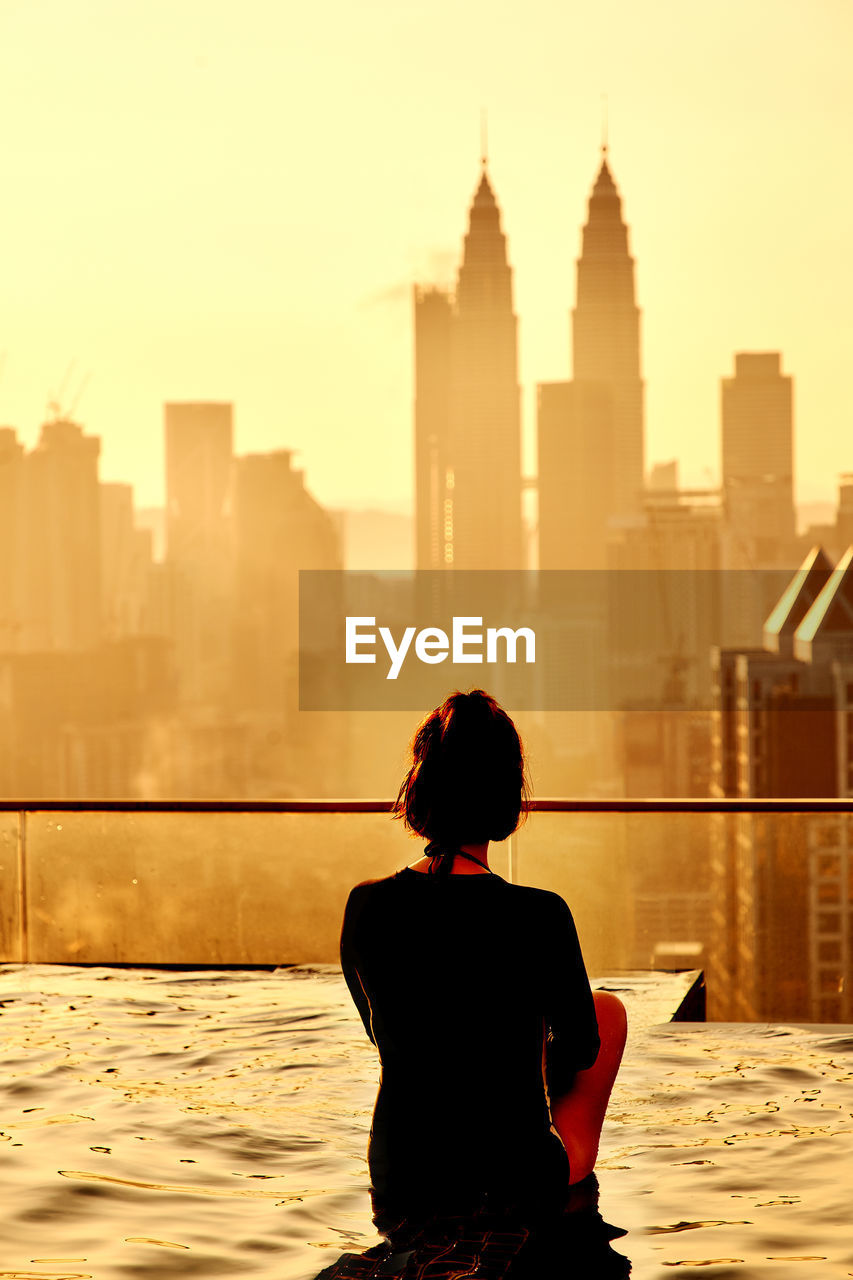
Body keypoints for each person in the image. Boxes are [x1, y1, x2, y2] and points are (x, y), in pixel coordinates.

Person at [339, 689, 627, 1251]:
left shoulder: (366, 905)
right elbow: (582, 1051)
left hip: (403, 1177)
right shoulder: (540, 913)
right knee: (608, 1013)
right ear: (508, 796)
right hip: (514, 1176)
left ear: (419, 788)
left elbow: (382, 1030)